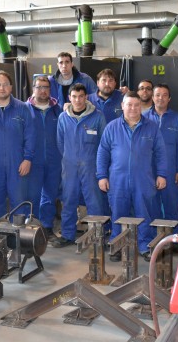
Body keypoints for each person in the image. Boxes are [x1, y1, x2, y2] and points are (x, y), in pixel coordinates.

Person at [97, 92, 167, 261]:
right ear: (122, 106)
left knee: (144, 213)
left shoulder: (151, 127)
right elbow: (102, 153)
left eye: (136, 105)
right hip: (117, 180)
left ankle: (145, 246)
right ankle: (117, 245)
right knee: (118, 213)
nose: (133, 108)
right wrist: (101, 176)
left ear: (141, 107)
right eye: (129, 105)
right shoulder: (112, 127)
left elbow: (161, 153)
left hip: (143, 179)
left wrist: (162, 174)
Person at [0, 70, 36, 226]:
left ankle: (18, 234)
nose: (2, 88)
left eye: (5, 84)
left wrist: (28, 159)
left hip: (18, 163)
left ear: (11, 87)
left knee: (19, 200)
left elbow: (30, 135)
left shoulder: (22, 108)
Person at [55, 83, 109, 248]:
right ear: (69, 98)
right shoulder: (63, 118)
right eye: (74, 97)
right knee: (69, 200)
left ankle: (98, 237)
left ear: (86, 97)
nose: (77, 100)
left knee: (95, 202)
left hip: (91, 168)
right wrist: (68, 159)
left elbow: (104, 145)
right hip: (69, 167)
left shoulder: (97, 117)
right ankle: (67, 234)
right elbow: (60, 142)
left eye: (81, 96)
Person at [143, 84, 178, 232]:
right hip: (149, 170)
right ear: (153, 97)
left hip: (170, 170)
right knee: (151, 206)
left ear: (169, 98)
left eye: (164, 95)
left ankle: (174, 239)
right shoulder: (144, 118)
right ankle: (155, 240)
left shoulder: (177, 119)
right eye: (157, 95)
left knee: (172, 206)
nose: (160, 98)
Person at [26, 75, 62, 239]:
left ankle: (47, 227)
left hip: (54, 161)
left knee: (50, 195)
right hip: (32, 160)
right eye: (39, 87)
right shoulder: (24, 109)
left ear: (50, 90)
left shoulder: (58, 110)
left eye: (46, 87)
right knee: (32, 195)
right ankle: (32, 228)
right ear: (33, 89)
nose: (42, 90)